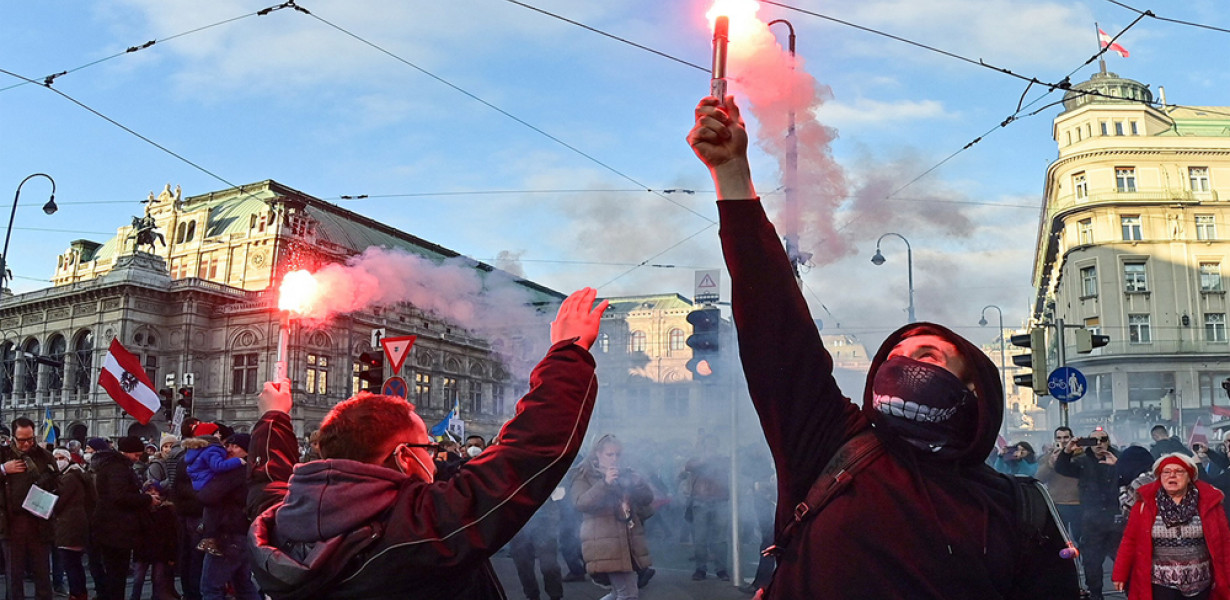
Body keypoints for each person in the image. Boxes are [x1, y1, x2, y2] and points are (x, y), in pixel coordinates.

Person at [687, 94, 1079, 598]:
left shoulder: (1017, 508)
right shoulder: (834, 445)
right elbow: (776, 326)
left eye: (927, 356)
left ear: (972, 388)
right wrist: (733, 176)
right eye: (893, 359)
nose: (903, 363)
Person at [247, 287, 607, 599]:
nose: (435, 462)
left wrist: (274, 417)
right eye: (427, 449)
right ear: (404, 457)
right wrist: (569, 351)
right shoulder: (421, 527)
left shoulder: (280, 523)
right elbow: (528, 451)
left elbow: (269, 484)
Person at [1113, 453, 1230, 599]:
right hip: (1161, 584)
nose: (1172, 476)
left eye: (1179, 472)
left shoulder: (1208, 503)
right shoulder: (1145, 504)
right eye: (1166, 472)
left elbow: (1225, 542)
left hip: (1201, 585)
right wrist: (1120, 574)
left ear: (1190, 477)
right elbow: (1130, 540)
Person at [572, 435, 654, 600]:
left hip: (628, 540)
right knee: (628, 594)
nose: (614, 459)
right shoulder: (584, 474)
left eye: (618, 454)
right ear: (597, 454)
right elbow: (581, 503)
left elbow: (647, 499)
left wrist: (638, 483)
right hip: (605, 541)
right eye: (610, 455)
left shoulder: (626, 473)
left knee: (620, 592)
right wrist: (605, 484)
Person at [1057, 430, 1122, 600]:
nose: (1099, 443)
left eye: (1103, 439)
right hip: (1092, 520)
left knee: (1123, 559)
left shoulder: (1119, 458)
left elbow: (1130, 476)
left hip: (1117, 519)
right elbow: (1062, 468)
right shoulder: (1083, 461)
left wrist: (1117, 466)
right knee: (1092, 561)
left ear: (1109, 441)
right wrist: (1067, 450)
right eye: (1094, 440)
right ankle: (1096, 594)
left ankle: (1132, 591)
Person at [0, 417, 61, 600]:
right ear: (12, 438)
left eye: (30, 439)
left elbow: (59, 483)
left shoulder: (44, 456)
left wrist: (49, 486)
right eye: (22, 440)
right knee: (14, 573)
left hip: (39, 521)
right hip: (11, 522)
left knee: (42, 572)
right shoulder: (3, 454)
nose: (27, 444)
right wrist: (3, 469)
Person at [92, 436, 158, 600]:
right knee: (117, 573)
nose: (137, 458)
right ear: (125, 452)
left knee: (115, 572)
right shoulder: (118, 468)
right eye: (135, 455)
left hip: (111, 526)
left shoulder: (113, 465)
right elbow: (119, 496)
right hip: (115, 528)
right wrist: (147, 499)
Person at [197, 434, 259, 600]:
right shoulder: (253, 469)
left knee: (211, 588)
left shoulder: (235, 471)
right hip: (243, 533)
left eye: (235, 446)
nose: (229, 449)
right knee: (243, 584)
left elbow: (207, 495)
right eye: (228, 445)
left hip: (228, 534)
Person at [184, 422, 246, 556]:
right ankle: (209, 536)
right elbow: (218, 466)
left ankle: (205, 530)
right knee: (214, 505)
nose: (220, 435)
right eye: (217, 433)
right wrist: (238, 461)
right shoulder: (213, 449)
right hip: (208, 481)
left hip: (200, 483)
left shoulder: (198, 450)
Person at [679, 434, 729, 581]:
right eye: (708, 444)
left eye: (713, 444)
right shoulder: (696, 460)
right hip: (700, 501)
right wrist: (705, 459)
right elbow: (689, 467)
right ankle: (700, 569)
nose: (711, 447)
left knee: (720, 539)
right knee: (700, 538)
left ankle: (722, 569)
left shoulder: (722, 460)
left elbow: (729, 467)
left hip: (720, 501)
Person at [509, 490, 565, 600]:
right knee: (523, 566)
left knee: (550, 565)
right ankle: (532, 596)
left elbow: (557, 490)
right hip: (518, 525)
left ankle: (555, 596)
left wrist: (553, 518)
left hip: (544, 521)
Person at [52, 448, 91, 600]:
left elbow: (59, 502)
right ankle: (80, 592)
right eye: (56, 458)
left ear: (68, 460)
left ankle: (76, 593)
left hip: (69, 525)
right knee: (75, 563)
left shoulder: (69, 478)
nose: (58, 461)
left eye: (61, 457)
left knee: (70, 563)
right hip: (77, 524)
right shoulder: (78, 475)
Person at [1039, 427, 1083, 544]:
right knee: (1058, 540)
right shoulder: (1049, 457)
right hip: (1057, 503)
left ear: (1071, 438)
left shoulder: (1080, 456)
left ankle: (1080, 562)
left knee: (1081, 540)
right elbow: (1039, 479)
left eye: (1065, 437)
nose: (1063, 440)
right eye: (1059, 438)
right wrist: (1050, 464)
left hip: (1078, 503)